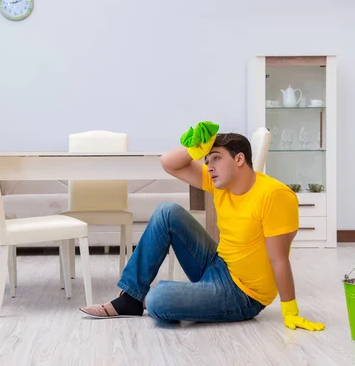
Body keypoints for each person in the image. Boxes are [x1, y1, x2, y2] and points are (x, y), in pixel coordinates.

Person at [79, 121, 324, 331]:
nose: (210, 166)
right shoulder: (219, 182)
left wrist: (290, 310)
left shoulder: (274, 195)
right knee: (167, 212)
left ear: (239, 159)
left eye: (216, 158)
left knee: (156, 301)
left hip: (243, 294)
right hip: (217, 263)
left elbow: (279, 259)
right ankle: (131, 297)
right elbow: (168, 163)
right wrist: (199, 147)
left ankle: (171, 297)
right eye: (207, 160)